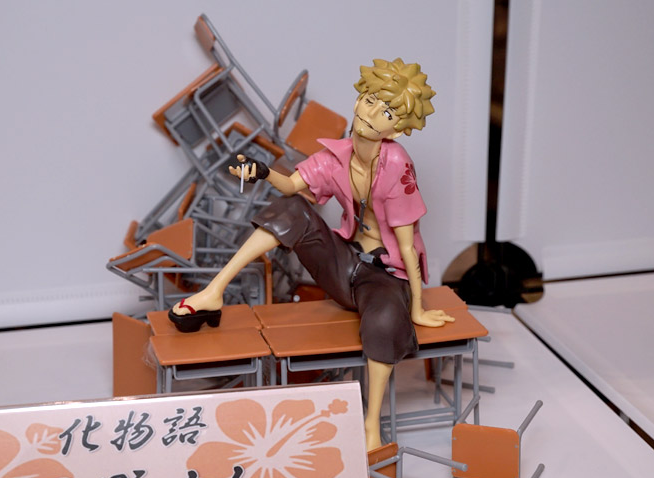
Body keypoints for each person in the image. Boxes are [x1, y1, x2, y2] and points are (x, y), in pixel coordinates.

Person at [169, 58, 454, 450]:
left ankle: (371, 425)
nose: (372, 114)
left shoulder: (396, 166)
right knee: (292, 210)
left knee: (385, 319)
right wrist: (262, 172)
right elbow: (292, 187)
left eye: (387, 113)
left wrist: (417, 307)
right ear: (359, 97)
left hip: (385, 278)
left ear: (399, 129)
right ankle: (212, 293)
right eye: (370, 100)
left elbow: (407, 246)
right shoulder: (337, 156)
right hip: (345, 264)